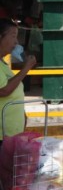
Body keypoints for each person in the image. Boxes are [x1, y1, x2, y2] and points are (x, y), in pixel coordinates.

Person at [0, 19, 37, 149]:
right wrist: (26, 68)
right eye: (13, 36)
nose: (16, 42)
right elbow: (4, 90)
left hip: (10, 134)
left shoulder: (3, 64)